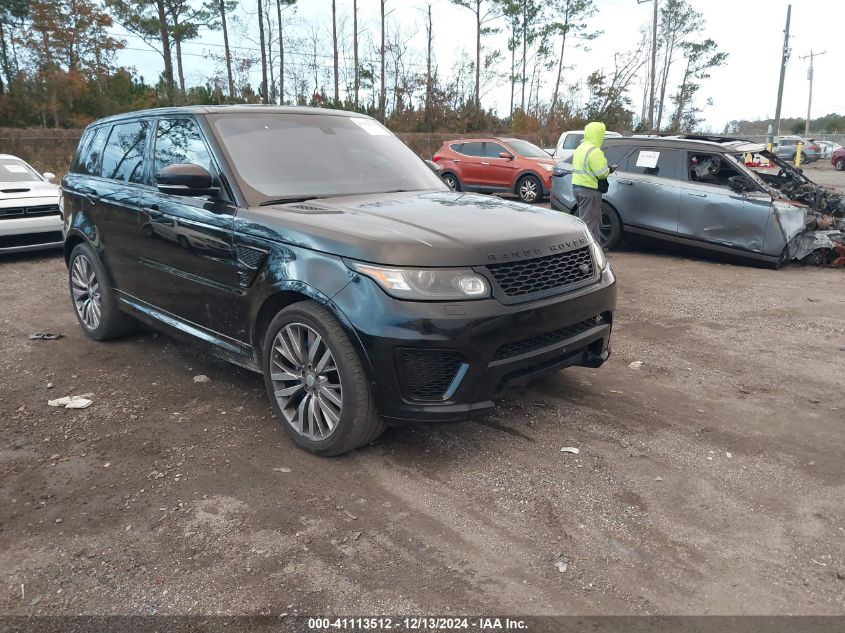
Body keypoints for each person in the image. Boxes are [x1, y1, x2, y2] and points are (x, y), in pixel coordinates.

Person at [571, 121, 615, 244]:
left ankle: (588, 249)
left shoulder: (580, 148)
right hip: (589, 190)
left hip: (577, 188)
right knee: (591, 224)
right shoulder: (594, 151)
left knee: (586, 221)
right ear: (598, 134)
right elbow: (601, 172)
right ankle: (590, 252)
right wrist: (609, 169)